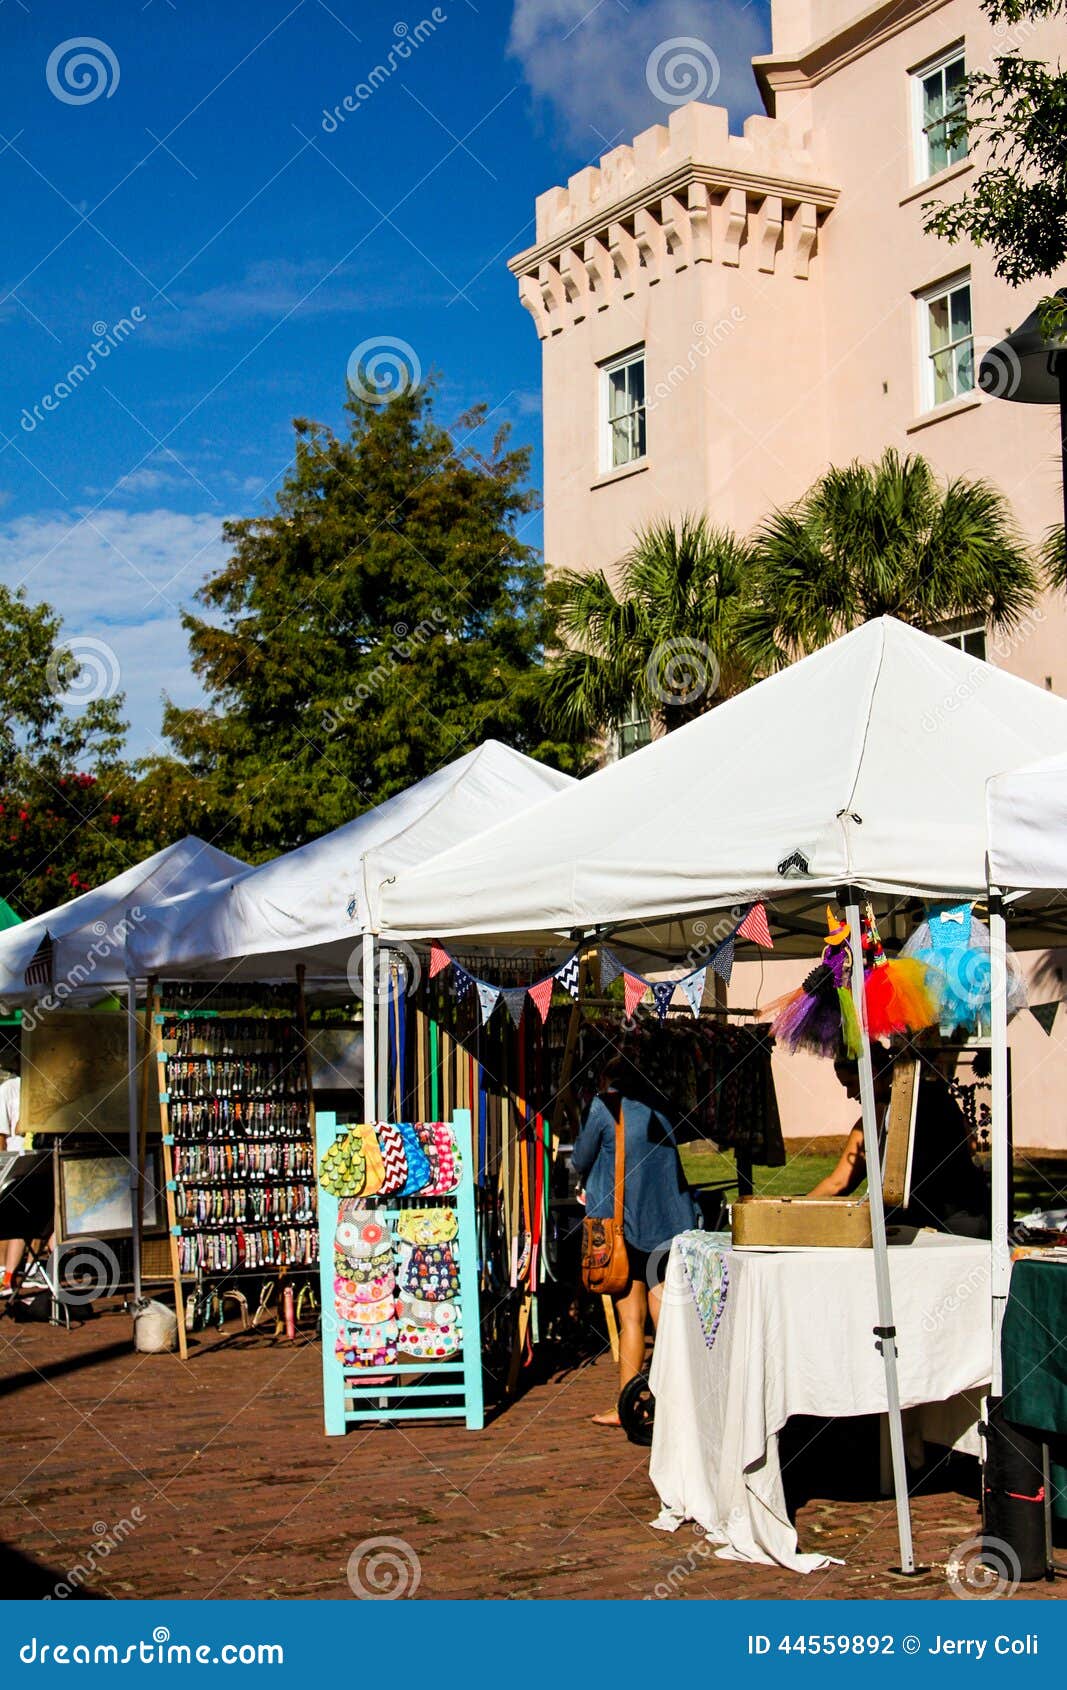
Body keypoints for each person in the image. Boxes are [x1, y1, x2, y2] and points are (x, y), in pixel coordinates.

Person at [572, 1056, 699, 1426]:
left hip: (624, 1227)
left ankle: (628, 1407)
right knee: (664, 1318)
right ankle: (674, 1400)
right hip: (670, 1221)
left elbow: (580, 1158)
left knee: (632, 1319)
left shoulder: (604, 1106)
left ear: (608, 1077)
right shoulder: (662, 1104)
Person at [809, 1052, 990, 1236]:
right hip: (933, 1220)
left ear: (870, 1072)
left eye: (850, 1084)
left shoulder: (929, 1103)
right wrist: (795, 1206)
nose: (849, 1094)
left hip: (952, 1221)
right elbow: (838, 1183)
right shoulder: (876, 1119)